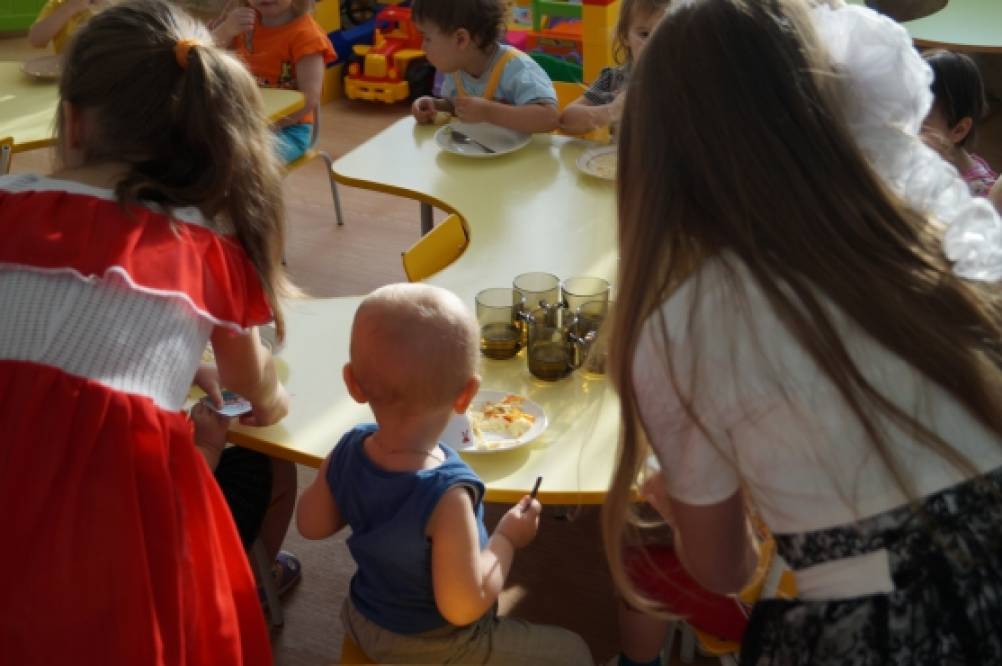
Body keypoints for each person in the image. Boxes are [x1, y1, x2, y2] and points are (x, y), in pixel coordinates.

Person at [602, 1, 1002, 665]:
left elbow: (724, 570)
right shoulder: (926, 239)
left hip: (877, 632)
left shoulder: (681, 326)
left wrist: (677, 504)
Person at [0, 0, 291, 662]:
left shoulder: (8, 203)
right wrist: (268, 398)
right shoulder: (207, 251)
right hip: (111, 548)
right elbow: (256, 393)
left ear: (73, 121)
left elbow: (50, 341)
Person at [296, 283, 592, 664]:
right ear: (467, 395)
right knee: (575, 652)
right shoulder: (447, 494)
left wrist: (343, 476)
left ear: (353, 384)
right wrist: (507, 538)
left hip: (362, 619)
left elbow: (310, 525)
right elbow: (463, 607)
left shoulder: (349, 448)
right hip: (435, 647)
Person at [191, 378, 302, 601]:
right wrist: (208, 447)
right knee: (279, 468)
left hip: (139, 521)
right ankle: (246, 587)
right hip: (173, 538)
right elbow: (177, 487)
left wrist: (197, 371)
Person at [212, 0, 335, 163]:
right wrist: (224, 31)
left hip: (290, 130)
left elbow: (310, 98)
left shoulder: (307, 35)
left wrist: (263, 127)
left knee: (243, 163)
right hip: (242, 122)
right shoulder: (240, 23)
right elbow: (205, 62)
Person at [409, 0, 559, 134]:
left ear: (461, 39)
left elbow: (549, 118)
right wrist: (435, 106)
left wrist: (489, 112)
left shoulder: (516, 67)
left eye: (427, 38)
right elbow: (457, 107)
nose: (423, 47)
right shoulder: (456, 68)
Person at [558, 0, 668, 137]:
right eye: (644, 34)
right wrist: (612, 111)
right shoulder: (613, 79)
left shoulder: (685, 80)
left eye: (666, 34)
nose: (654, 44)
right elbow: (566, 121)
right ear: (625, 36)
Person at [920, 49, 998, 196]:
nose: (905, 129)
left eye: (919, 122)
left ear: (959, 130)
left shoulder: (977, 194)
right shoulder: (927, 164)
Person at [28, 0, 103, 53]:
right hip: (69, 67)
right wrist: (70, 8)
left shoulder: (109, 7)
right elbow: (35, 40)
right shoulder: (58, 3)